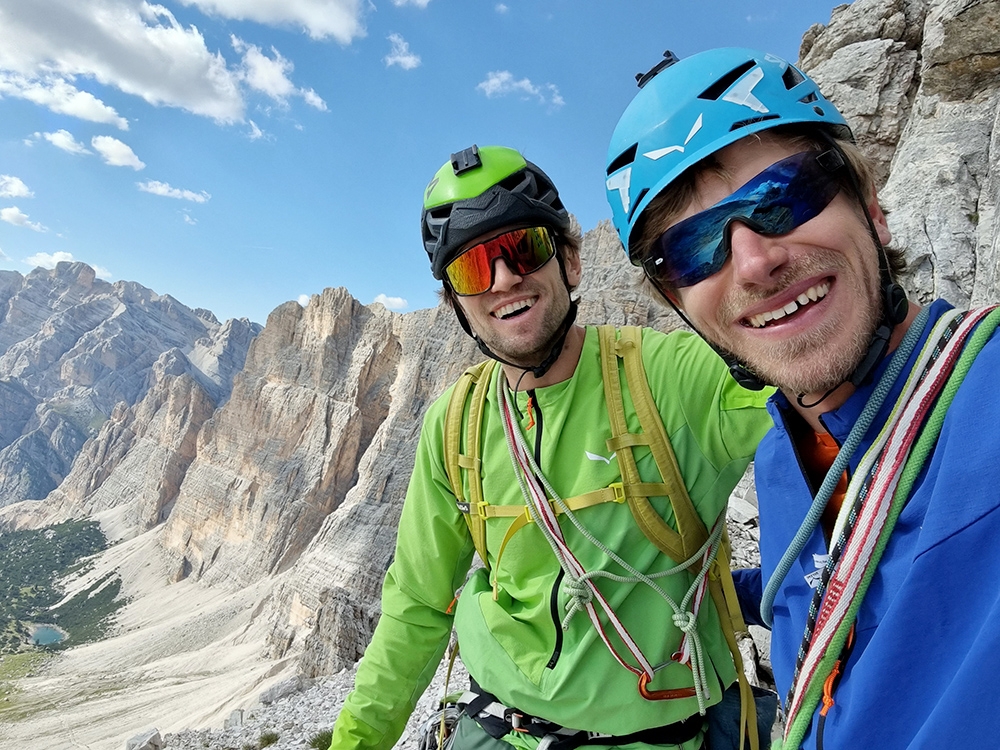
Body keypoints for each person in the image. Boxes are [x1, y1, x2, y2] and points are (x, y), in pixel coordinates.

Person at [605, 47, 1000, 750]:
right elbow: (826, 575)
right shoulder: (782, 447)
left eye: (782, 196)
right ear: (680, 303)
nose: (756, 262)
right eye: (695, 248)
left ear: (871, 208)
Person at [329, 143, 775, 750]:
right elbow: (417, 606)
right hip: (495, 726)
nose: (505, 278)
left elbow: (825, 398)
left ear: (570, 261)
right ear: (455, 302)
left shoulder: (672, 378)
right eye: (472, 268)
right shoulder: (454, 425)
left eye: (524, 250)